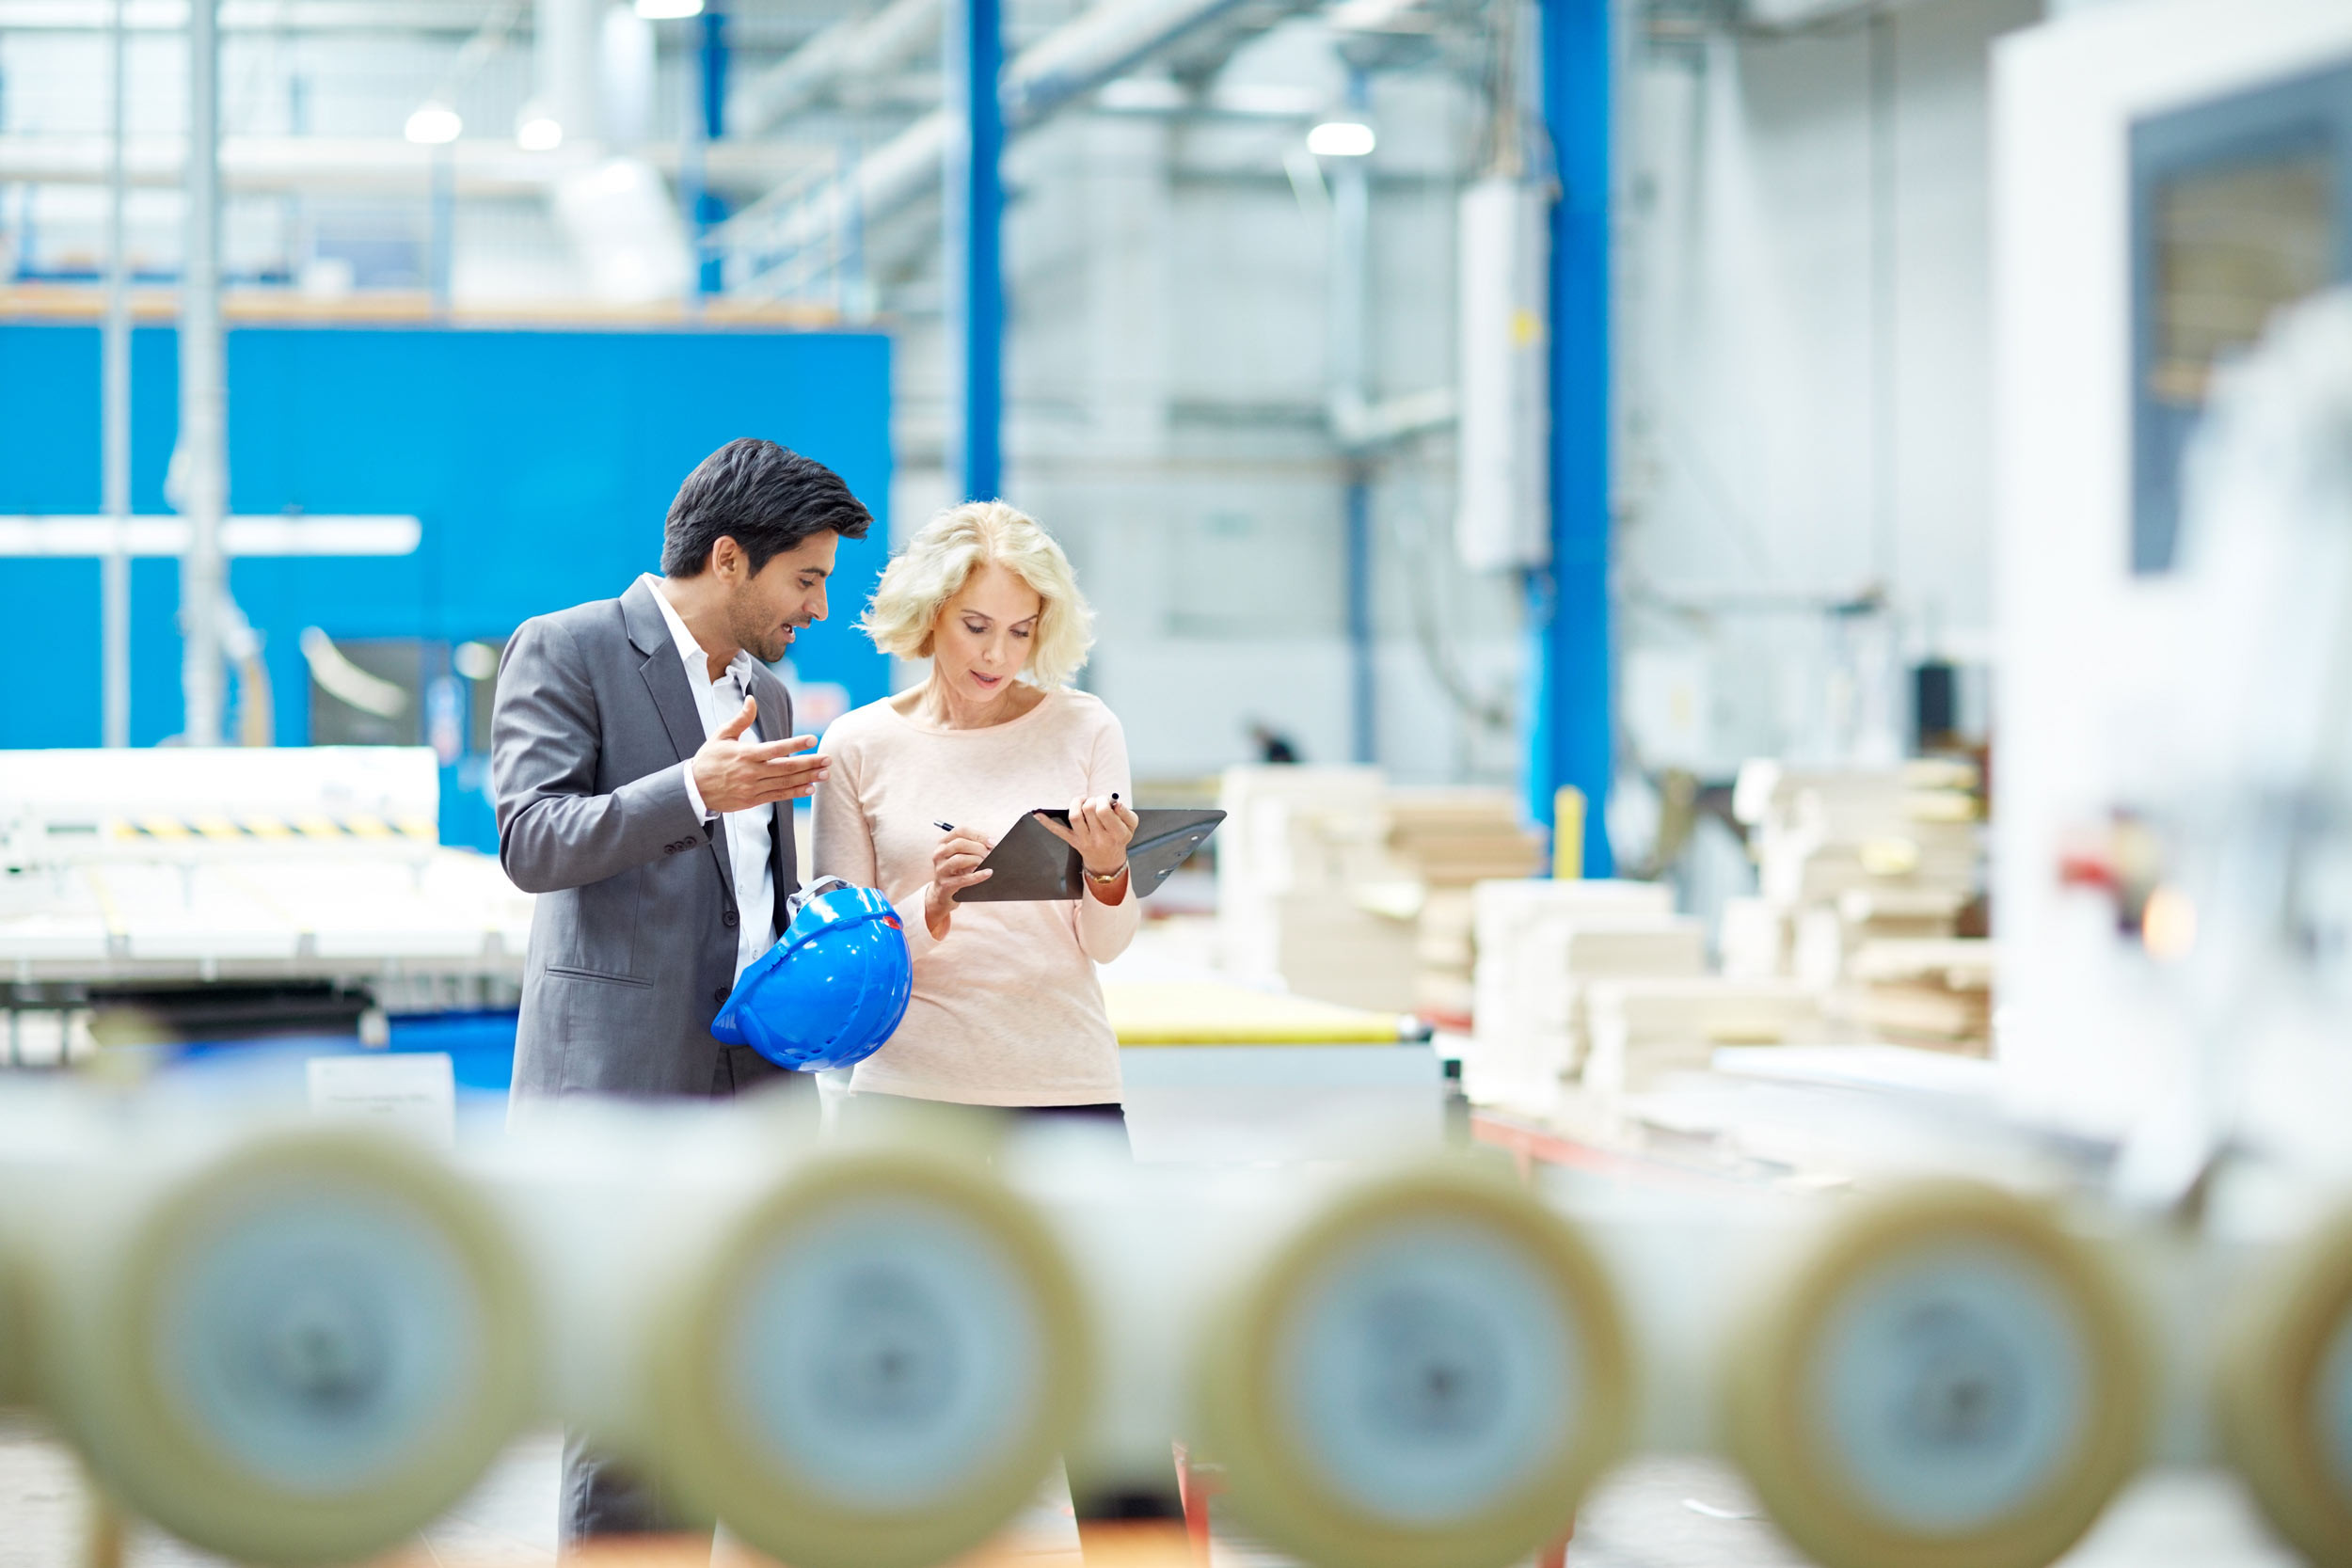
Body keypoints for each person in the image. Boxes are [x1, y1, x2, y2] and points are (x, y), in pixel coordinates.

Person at [489, 436, 871, 1547]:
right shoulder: (566, 649)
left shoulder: (767, 686)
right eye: (805, 579)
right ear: (726, 557)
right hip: (625, 1079)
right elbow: (530, 837)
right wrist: (690, 789)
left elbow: (752, 892)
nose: (814, 606)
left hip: (754, 1083)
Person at [812, 498, 1177, 1544]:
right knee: (890, 1376)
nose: (998, 653)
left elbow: (1104, 947)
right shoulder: (859, 746)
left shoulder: (1082, 727)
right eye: (977, 626)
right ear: (928, 614)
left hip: (1061, 1084)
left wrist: (1108, 871)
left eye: (1021, 630)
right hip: (908, 1097)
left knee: (1109, 1380)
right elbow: (843, 960)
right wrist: (926, 911)